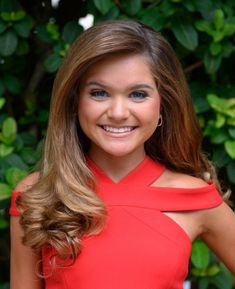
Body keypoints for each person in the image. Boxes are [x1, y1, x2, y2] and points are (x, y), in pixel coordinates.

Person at [10, 19, 235, 289]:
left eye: (138, 94)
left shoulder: (194, 198)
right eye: (99, 93)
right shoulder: (38, 194)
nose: (118, 113)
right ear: (74, 101)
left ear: (163, 103)